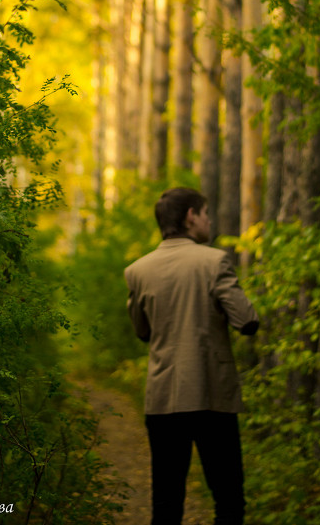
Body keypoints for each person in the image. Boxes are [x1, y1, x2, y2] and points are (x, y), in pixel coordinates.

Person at [124, 187, 259, 525]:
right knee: (228, 498)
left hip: (164, 399)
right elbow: (247, 321)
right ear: (190, 217)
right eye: (206, 212)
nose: (209, 220)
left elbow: (142, 332)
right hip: (212, 397)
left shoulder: (137, 271)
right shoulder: (215, 261)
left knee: (166, 502)